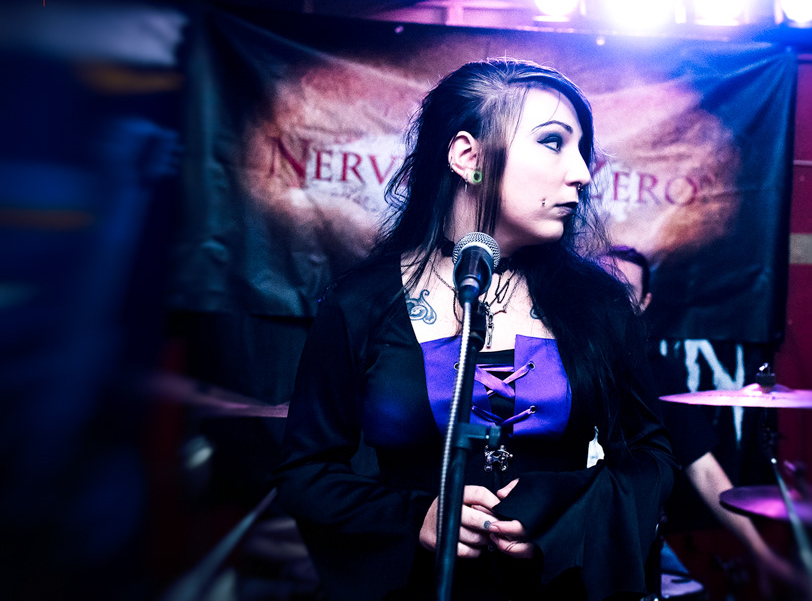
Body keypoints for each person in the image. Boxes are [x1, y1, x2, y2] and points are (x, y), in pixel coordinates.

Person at [275, 59, 676, 601]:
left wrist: (565, 519)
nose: (582, 172)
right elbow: (306, 472)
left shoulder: (599, 304)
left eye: (582, 149)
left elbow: (652, 459)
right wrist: (414, 517)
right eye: (553, 142)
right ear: (469, 157)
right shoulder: (361, 305)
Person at [598, 247, 796, 597]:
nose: (613, 299)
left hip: (631, 539)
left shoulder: (657, 372)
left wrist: (761, 553)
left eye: (625, 292)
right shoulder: (557, 357)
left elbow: (702, 469)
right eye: (603, 286)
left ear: (643, 303)